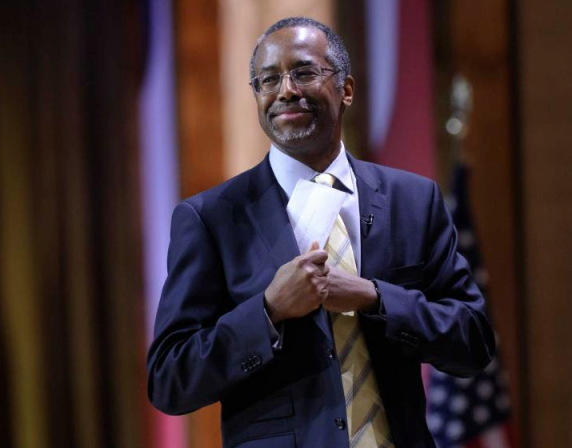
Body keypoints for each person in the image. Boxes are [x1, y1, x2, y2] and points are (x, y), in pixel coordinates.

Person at [147, 16, 495, 448]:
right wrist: (268, 311)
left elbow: (473, 341)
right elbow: (169, 379)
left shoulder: (413, 201)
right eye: (268, 80)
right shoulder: (211, 218)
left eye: (304, 72)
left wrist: (375, 296)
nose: (286, 89)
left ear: (346, 89)